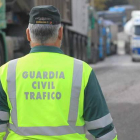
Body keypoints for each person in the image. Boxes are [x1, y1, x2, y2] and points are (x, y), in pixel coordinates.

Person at [0, 5, 118, 140]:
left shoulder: (6, 72)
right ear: (61, 33)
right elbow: (105, 132)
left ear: (28, 34)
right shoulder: (82, 71)